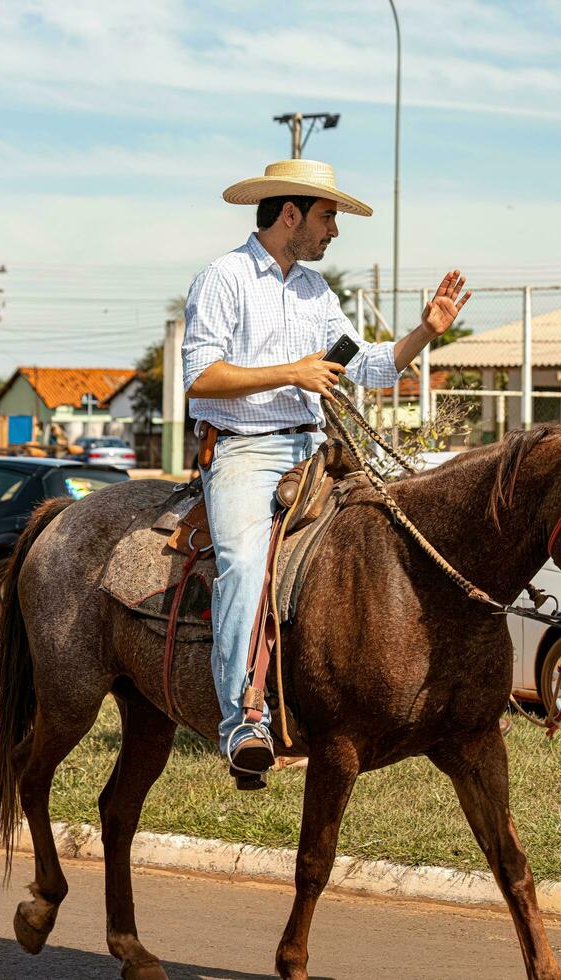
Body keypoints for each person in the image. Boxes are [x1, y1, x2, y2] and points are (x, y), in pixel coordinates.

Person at [182, 158, 470, 783]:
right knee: (244, 563)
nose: (334, 230)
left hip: (316, 450)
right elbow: (199, 378)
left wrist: (425, 330)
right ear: (291, 214)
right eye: (328, 216)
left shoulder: (316, 291)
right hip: (244, 450)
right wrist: (293, 372)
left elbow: (367, 365)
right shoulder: (224, 278)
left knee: (391, 536)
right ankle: (243, 723)